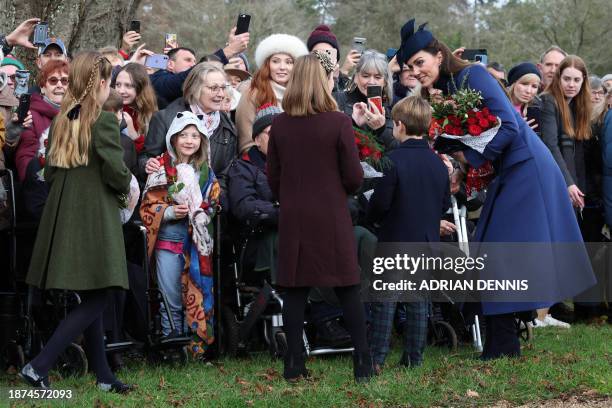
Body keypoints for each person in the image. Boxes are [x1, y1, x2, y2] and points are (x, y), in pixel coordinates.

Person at [398, 18, 595, 359]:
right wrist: (462, 160)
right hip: (511, 170)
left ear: (438, 55)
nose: (415, 72)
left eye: (419, 63)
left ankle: (504, 344)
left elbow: (507, 126)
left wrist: (467, 151)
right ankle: (503, 341)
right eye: (409, 68)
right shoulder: (455, 86)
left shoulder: (471, 75)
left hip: (526, 167)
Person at [21, 52, 132, 392]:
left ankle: (103, 376)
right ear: (100, 84)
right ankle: (38, 366)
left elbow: (50, 172)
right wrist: (125, 184)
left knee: (92, 294)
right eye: (109, 82)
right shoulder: (103, 120)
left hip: (65, 215)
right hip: (93, 216)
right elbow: (115, 171)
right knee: (101, 296)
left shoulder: (63, 118)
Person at [267, 54, 373, 382]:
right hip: (331, 213)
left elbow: (273, 175)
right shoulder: (338, 122)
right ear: (324, 81)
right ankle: (363, 363)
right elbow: (354, 175)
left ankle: (293, 363)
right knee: (347, 286)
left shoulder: (281, 124)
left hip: (295, 214)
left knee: (295, 289)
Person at [367, 95, 450, 371]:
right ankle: (414, 358)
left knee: (385, 302)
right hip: (426, 241)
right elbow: (443, 205)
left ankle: (377, 358)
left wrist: (372, 216)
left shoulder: (392, 160)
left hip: (394, 239)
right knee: (417, 303)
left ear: (399, 125)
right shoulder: (438, 164)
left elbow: (380, 204)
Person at [140, 111, 219, 357]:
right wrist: (170, 212)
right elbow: (146, 207)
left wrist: (205, 213)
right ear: (173, 138)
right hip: (168, 244)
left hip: (195, 246)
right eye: (183, 135)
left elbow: (214, 200)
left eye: (195, 136)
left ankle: (193, 348)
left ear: (202, 141)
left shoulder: (206, 171)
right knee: (170, 297)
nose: (189, 140)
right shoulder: (159, 168)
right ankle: (170, 345)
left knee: (194, 294)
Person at [540, 56, 604, 324]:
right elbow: (551, 146)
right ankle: (542, 312)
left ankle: (548, 310)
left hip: (572, 186)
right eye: (567, 78)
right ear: (558, 78)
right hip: (554, 185)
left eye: (577, 80)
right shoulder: (548, 102)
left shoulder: (576, 107)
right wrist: (568, 183)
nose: (571, 84)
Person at [140, 63, 237, 184]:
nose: (221, 94)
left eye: (223, 88)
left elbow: (225, 175)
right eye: (214, 88)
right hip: (169, 196)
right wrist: (147, 165)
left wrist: (213, 199)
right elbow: (145, 159)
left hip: (210, 199)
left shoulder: (227, 126)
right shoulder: (165, 119)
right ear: (195, 88)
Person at [235, 33, 308, 153]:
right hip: (263, 166)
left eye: (289, 62)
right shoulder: (252, 94)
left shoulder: (304, 95)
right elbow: (246, 144)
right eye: (276, 61)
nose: (282, 67)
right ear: (267, 65)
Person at [14, 60, 68, 220]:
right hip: (44, 189)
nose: (60, 85)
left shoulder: (79, 115)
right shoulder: (31, 115)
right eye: (53, 81)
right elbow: (26, 158)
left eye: (65, 81)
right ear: (43, 87)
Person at [149, 27, 249, 109]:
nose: (193, 65)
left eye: (194, 62)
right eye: (187, 60)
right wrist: (229, 51)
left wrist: (230, 47)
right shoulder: (158, 80)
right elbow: (189, 77)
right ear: (170, 64)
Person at [334, 50, 398, 152]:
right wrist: (353, 123)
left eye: (377, 77)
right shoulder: (337, 100)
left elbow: (395, 151)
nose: (371, 82)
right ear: (356, 78)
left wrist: (381, 129)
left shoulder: (391, 110)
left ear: (385, 82)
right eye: (365, 76)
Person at [112, 63, 158, 153]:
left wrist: (133, 133)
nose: (121, 91)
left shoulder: (150, 113)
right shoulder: (110, 107)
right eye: (118, 85)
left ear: (140, 88)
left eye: (128, 86)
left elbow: (146, 154)